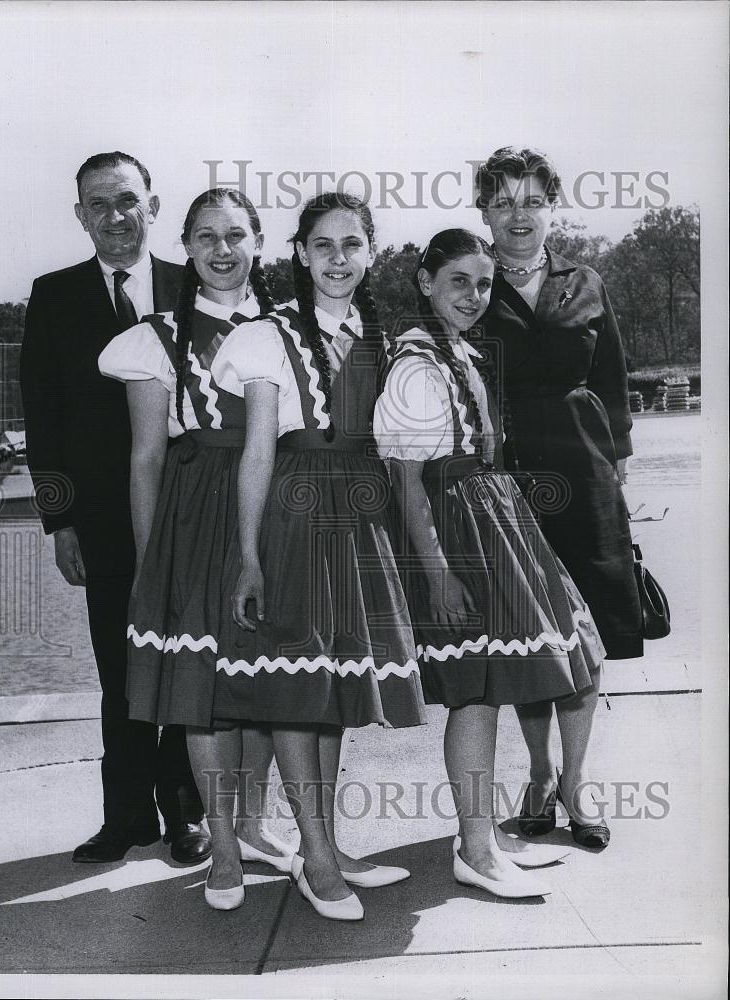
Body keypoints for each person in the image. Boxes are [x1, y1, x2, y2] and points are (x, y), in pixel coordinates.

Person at [203, 192, 426, 920]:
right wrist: (248, 556)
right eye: (322, 245)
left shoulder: (376, 334)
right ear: (298, 254)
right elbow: (258, 451)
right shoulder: (269, 336)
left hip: (360, 520)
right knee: (298, 685)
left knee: (334, 688)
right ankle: (317, 857)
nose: (337, 258)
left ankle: (322, 842)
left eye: (352, 244)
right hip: (296, 517)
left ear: (369, 254)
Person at [373, 229, 605, 898]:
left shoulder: (457, 352)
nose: (474, 295)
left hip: (493, 519)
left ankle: (483, 837)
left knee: (498, 683)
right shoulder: (417, 365)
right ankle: (475, 849)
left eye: (483, 283)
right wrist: (438, 571)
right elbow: (406, 480)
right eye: (458, 282)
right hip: (458, 533)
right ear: (425, 282)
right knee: (474, 689)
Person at [98, 187, 295, 880]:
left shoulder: (287, 326)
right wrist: (155, 560)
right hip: (197, 515)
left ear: (259, 244)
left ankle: (256, 821)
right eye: (206, 236)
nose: (221, 249)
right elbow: (146, 456)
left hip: (281, 512)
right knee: (204, 682)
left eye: (235, 235)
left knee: (272, 675)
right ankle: (221, 843)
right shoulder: (153, 337)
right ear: (185, 247)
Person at [20, 151, 210, 864]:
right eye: (97, 204)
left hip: (190, 511)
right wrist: (58, 520)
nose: (115, 216)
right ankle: (126, 816)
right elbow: (42, 418)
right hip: (99, 521)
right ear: (80, 216)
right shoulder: (53, 296)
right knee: (120, 668)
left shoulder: (193, 287)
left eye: (126, 200)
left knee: (189, 662)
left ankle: (185, 813)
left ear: (152, 206)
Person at [477, 147, 641, 847]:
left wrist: (619, 461)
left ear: (552, 206)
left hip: (585, 468)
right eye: (503, 200)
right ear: (484, 210)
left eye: (532, 199)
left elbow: (613, 377)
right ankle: (538, 775)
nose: (519, 214)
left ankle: (576, 783)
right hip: (506, 477)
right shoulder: (472, 282)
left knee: (591, 632)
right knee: (529, 630)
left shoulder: (587, 281)